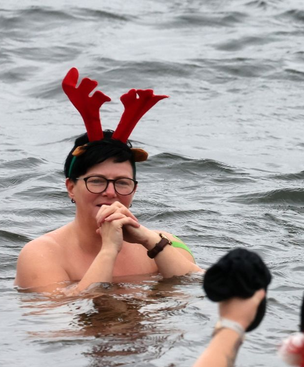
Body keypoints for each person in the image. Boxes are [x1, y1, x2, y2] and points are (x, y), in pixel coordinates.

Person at [15, 68, 201, 294]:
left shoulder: (163, 243)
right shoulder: (40, 254)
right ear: (71, 187)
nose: (111, 192)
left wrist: (151, 242)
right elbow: (61, 318)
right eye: (97, 181)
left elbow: (204, 286)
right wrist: (109, 250)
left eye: (122, 182)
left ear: (134, 189)